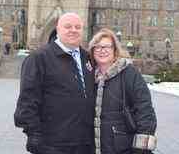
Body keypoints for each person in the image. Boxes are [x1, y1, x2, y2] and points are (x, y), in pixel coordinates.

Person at [14, 12, 95, 154]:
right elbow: (27, 100)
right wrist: (33, 134)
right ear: (57, 30)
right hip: (53, 144)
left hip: (85, 143)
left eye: (77, 27)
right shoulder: (39, 58)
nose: (73, 30)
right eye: (68, 26)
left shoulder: (87, 58)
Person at [88, 28, 157, 154]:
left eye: (106, 47)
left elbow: (144, 110)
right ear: (92, 52)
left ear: (114, 50)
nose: (102, 50)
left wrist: (140, 149)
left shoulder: (128, 74)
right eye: (97, 47)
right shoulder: (89, 77)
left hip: (123, 147)